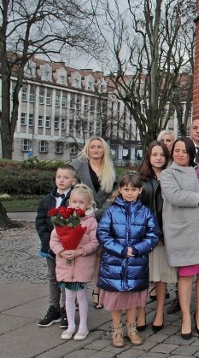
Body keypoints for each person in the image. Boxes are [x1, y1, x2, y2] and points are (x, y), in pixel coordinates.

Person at [161, 137, 199, 339]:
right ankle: (186, 318)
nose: (180, 154)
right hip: (185, 232)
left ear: (191, 153)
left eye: (184, 151)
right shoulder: (168, 173)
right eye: (177, 151)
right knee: (186, 275)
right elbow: (175, 196)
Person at [97, 172, 160, 348]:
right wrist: (121, 250)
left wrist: (137, 249)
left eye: (133, 189)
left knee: (133, 299)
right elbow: (103, 234)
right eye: (126, 189)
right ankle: (117, 329)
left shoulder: (146, 212)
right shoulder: (111, 211)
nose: (130, 193)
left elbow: (153, 235)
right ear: (120, 190)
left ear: (140, 190)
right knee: (116, 299)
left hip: (136, 264)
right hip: (114, 264)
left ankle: (132, 328)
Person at [71, 136, 118, 310]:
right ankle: (76, 294)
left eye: (99, 147)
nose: (96, 150)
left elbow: (114, 194)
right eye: (93, 147)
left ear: (104, 150)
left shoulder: (110, 169)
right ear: (87, 149)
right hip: (81, 217)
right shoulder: (78, 165)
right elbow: (70, 187)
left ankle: (97, 291)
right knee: (80, 255)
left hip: (102, 217)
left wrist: (103, 210)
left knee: (99, 255)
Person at [50, 184, 99, 341]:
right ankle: (71, 325)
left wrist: (80, 251)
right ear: (69, 203)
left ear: (88, 204)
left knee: (81, 296)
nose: (77, 205)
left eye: (81, 202)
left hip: (82, 264)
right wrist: (61, 251)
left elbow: (95, 242)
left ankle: (83, 326)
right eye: (74, 202)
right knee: (69, 297)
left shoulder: (90, 222)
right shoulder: (63, 219)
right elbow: (54, 239)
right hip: (66, 263)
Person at [139, 141, 176, 333]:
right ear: (149, 157)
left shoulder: (171, 177)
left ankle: (160, 311)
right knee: (142, 276)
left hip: (164, 234)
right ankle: (141, 311)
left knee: (160, 276)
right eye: (155, 154)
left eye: (162, 155)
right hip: (144, 235)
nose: (158, 158)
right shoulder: (141, 178)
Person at [35, 164, 76, 329]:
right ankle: (54, 308)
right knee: (53, 277)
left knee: (66, 279)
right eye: (59, 177)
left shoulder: (74, 199)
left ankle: (67, 309)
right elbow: (40, 223)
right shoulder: (46, 200)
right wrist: (49, 243)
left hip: (68, 248)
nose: (61, 180)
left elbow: (76, 223)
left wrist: (68, 244)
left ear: (73, 181)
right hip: (50, 249)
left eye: (66, 177)